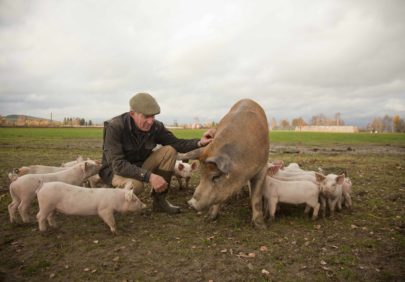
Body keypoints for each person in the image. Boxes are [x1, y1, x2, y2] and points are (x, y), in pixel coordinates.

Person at [99, 92, 215, 214]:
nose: (150, 121)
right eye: (146, 116)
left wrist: (200, 142)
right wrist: (150, 176)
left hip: (139, 166)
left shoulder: (155, 127)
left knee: (170, 150)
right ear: (132, 114)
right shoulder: (115, 126)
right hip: (115, 171)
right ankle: (112, 198)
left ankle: (159, 201)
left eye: (153, 116)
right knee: (136, 186)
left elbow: (176, 143)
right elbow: (118, 165)